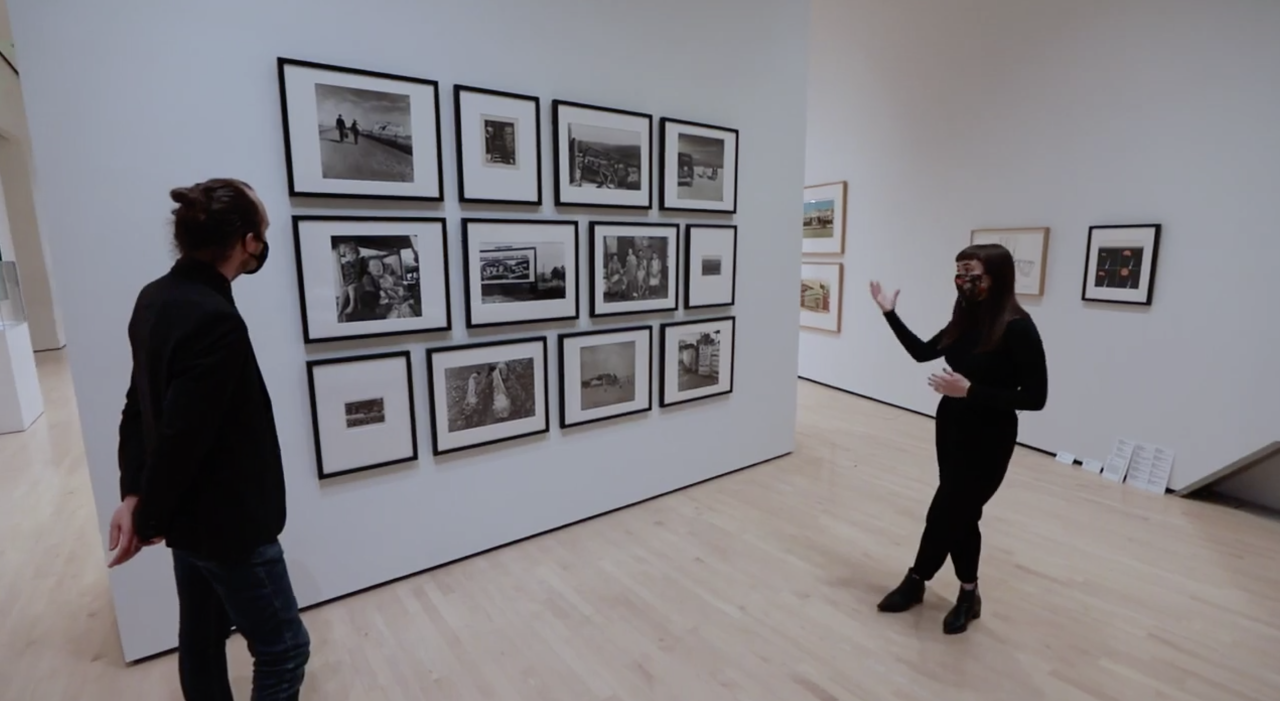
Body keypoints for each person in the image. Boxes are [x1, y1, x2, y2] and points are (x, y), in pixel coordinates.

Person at [108, 178, 310, 699]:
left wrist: (135, 495)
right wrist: (146, 516)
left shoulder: (155, 298)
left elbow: (139, 405)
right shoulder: (214, 318)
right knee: (284, 649)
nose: (262, 244)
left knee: (200, 638)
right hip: (229, 525)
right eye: (260, 232)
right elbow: (180, 435)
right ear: (246, 241)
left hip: (189, 520)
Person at [868, 243, 1048, 635]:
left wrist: (971, 391)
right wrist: (889, 312)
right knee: (960, 512)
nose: (963, 281)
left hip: (991, 434)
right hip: (951, 426)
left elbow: (1036, 398)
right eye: (959, 273)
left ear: (995, 277)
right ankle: (967, 593)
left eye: (972, 274)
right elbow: (921, 353)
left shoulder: (1018, 327)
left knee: (948, 511)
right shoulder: (965, 322)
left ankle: (918, 579)